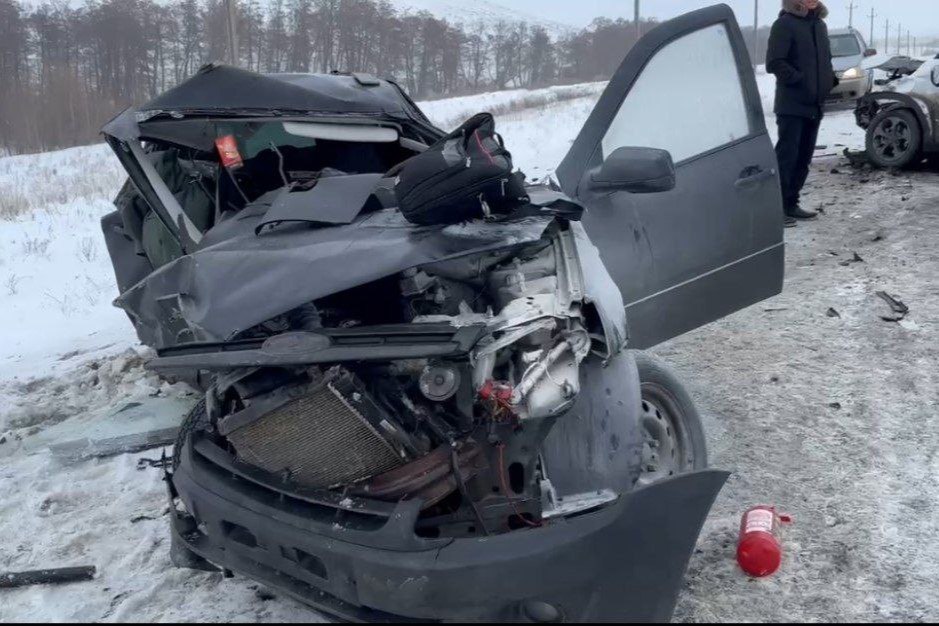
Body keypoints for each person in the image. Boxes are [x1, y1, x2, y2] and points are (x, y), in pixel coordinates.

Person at [766, 0, 837, 227]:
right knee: (787, 158)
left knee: (804, 158)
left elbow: (825, 60)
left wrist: (830, 80)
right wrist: (799, 80)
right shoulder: (784, 24)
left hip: (815, 105)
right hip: (792, 105)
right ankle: (775, 209)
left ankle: (791, 203)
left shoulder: (820, 26)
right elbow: (775, 62)